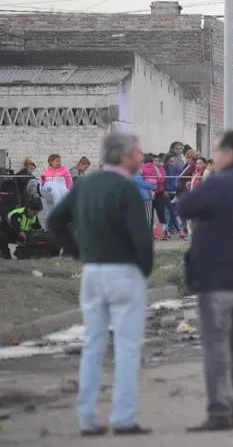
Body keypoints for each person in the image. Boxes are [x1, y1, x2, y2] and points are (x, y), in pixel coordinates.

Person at [47, 132, 154, 437]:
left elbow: (55, 220)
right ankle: (123, 417)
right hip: (124, 272)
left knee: (93, 345)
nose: (142, 157)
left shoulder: (86, 185)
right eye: (138, 153)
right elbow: (142, 239)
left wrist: (77, 250)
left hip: (92, 272)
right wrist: (143, 270)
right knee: (127, 346)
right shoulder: (127, 189)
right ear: (123, 156)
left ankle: (88, 417)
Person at [179, 131, 233, 433]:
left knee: (216, 347)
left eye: (215, 152)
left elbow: (186, 207)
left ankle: (219, 410)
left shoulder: (219, 183)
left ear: (229, 154)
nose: (212, 158)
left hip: (217, 279)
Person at [163, 154, 186, 240]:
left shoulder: (177, 169)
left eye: (174, 161)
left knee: (174, 213)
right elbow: (162, 181)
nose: (173, 162)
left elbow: (180, 179)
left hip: (175, 193)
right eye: (171, 161)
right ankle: (168, 231)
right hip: (166, 193)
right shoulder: (164, 169)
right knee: (167, 213)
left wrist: (178, 191)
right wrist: (164, 190)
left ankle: (178, 230)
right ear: (167, 161)